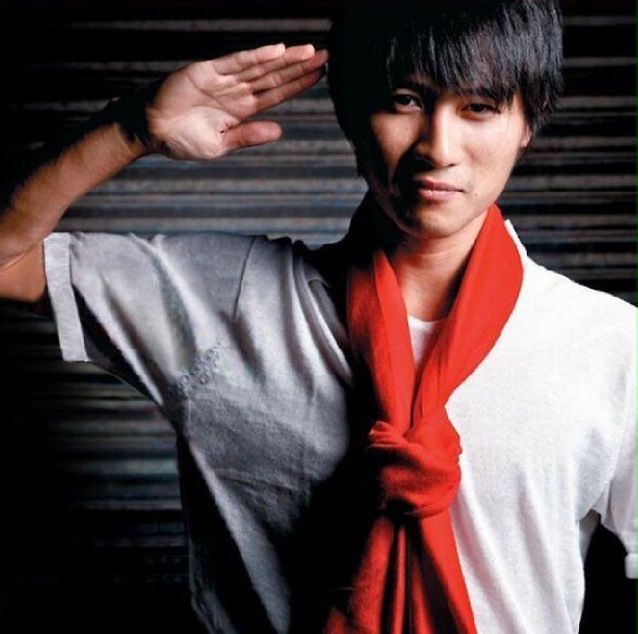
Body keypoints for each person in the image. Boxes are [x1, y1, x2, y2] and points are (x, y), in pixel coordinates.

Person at [0, 0, 635, 632]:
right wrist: (130, 130)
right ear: (351, 113)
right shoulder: (230, 302)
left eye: (479, 107)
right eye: (405, 100)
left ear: (527, 122)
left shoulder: (608, 344)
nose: (438, 148)